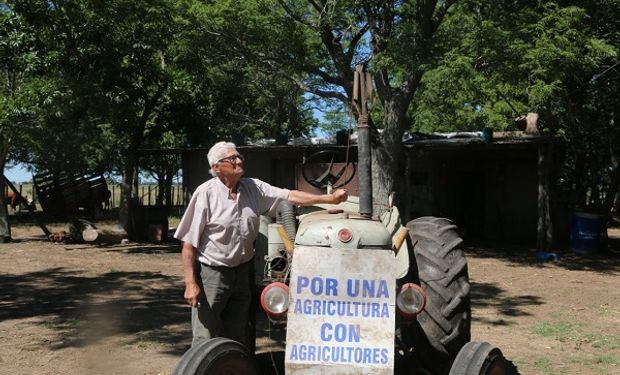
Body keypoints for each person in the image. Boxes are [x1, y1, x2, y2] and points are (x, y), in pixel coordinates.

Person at [174, 141, 348, 346]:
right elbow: (188, 245)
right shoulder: (205, 194)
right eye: (232, 158)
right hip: (213, 274)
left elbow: (289, 195)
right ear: (216, 167)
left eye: (239, 156)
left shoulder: (253, 187)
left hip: (242, 272)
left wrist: (329, 200)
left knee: (238, 332)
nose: (239, 160)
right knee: (205, 334)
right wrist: (190, 283)